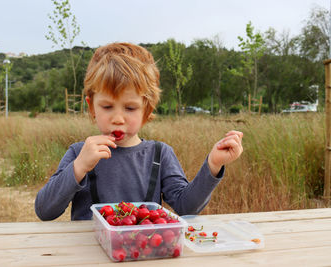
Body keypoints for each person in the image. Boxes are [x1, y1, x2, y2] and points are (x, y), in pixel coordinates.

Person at [35, 42, 243, 221]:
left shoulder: (160, 154)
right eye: (107, 107)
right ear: (91, 108)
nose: (117, 118)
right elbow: (45, 211)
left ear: (147, 110)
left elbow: (185, 207)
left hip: (142, 252)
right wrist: (79, 167)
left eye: (130, 108)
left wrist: (214, 164)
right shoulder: (79, 152)